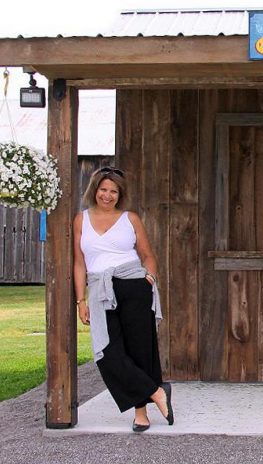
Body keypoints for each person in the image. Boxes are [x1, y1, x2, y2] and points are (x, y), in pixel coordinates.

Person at [73, 166, 174, 432]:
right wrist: (80, 301)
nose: (107, 195)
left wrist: (148, 279)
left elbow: (148, 255)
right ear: (95, 190)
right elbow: (79, 263)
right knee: (108, 353)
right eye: (103, 189)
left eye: (113, 192)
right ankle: (156, 391)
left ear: (120, 195)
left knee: (138, 349)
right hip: (100, 289)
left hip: (133, 286)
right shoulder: (81, 220)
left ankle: (141, 414)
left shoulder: (130, 219)